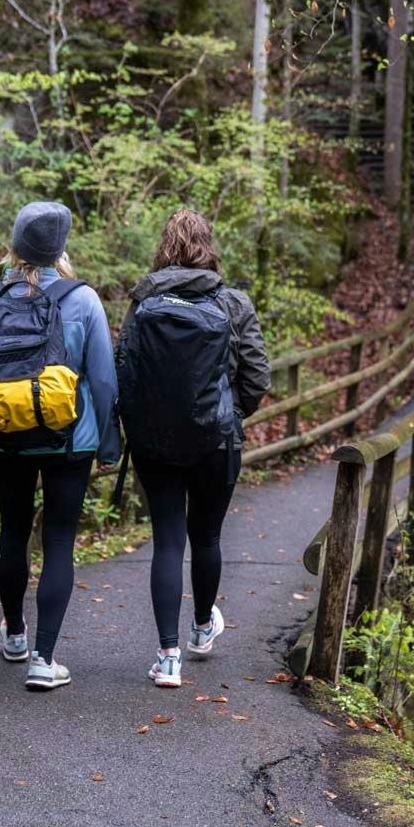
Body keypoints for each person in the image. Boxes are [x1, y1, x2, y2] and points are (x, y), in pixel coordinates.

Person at [0, 202, 119, 691]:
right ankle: (45, 659)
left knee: (13, 532)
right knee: (59, 540)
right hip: (72, 440)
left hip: (5, 437)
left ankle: (16, 635)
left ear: (14, 246)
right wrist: (108, 440)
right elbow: (103, 382)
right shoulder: (83, 300)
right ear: (61, 250)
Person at [117, 209, 271, 688]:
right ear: (208, 246)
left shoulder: (143, 300)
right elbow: (258, 376)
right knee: (206, 537)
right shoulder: (232, 302)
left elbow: (124, 365)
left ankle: (167, 658)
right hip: (216, 441)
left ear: (165, 246)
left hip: (153, 442)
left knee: (168, 540)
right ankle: (202, 628)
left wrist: (141, 421)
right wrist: (230, 412)